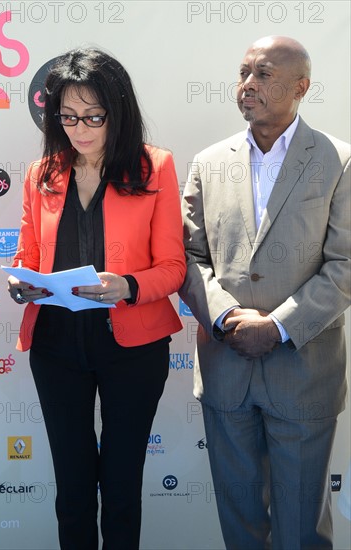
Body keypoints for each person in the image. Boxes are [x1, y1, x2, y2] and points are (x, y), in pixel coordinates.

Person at [7, 47, 186, 550]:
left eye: (93, 117)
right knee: (73, 485)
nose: (79, 130)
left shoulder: (156, 168)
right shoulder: (42, 172)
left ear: (118, 112)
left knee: (123, 486)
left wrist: (126, 286)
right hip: (56, 346)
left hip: (132, 349)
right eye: (67, 117)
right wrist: (21, 284)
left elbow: (173, 268)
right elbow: (26, 255)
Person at [179, 35, 350, 549]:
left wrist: (276, 327)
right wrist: (228, 318)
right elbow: (189, 258)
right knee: (241, 522)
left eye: (264, 74)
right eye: (244, 72)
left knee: (301, 528)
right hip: (226, 367)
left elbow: (345, 265)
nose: (248, 84)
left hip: (303, 372)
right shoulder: (209, 163)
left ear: (301, 87)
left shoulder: (338, 161)